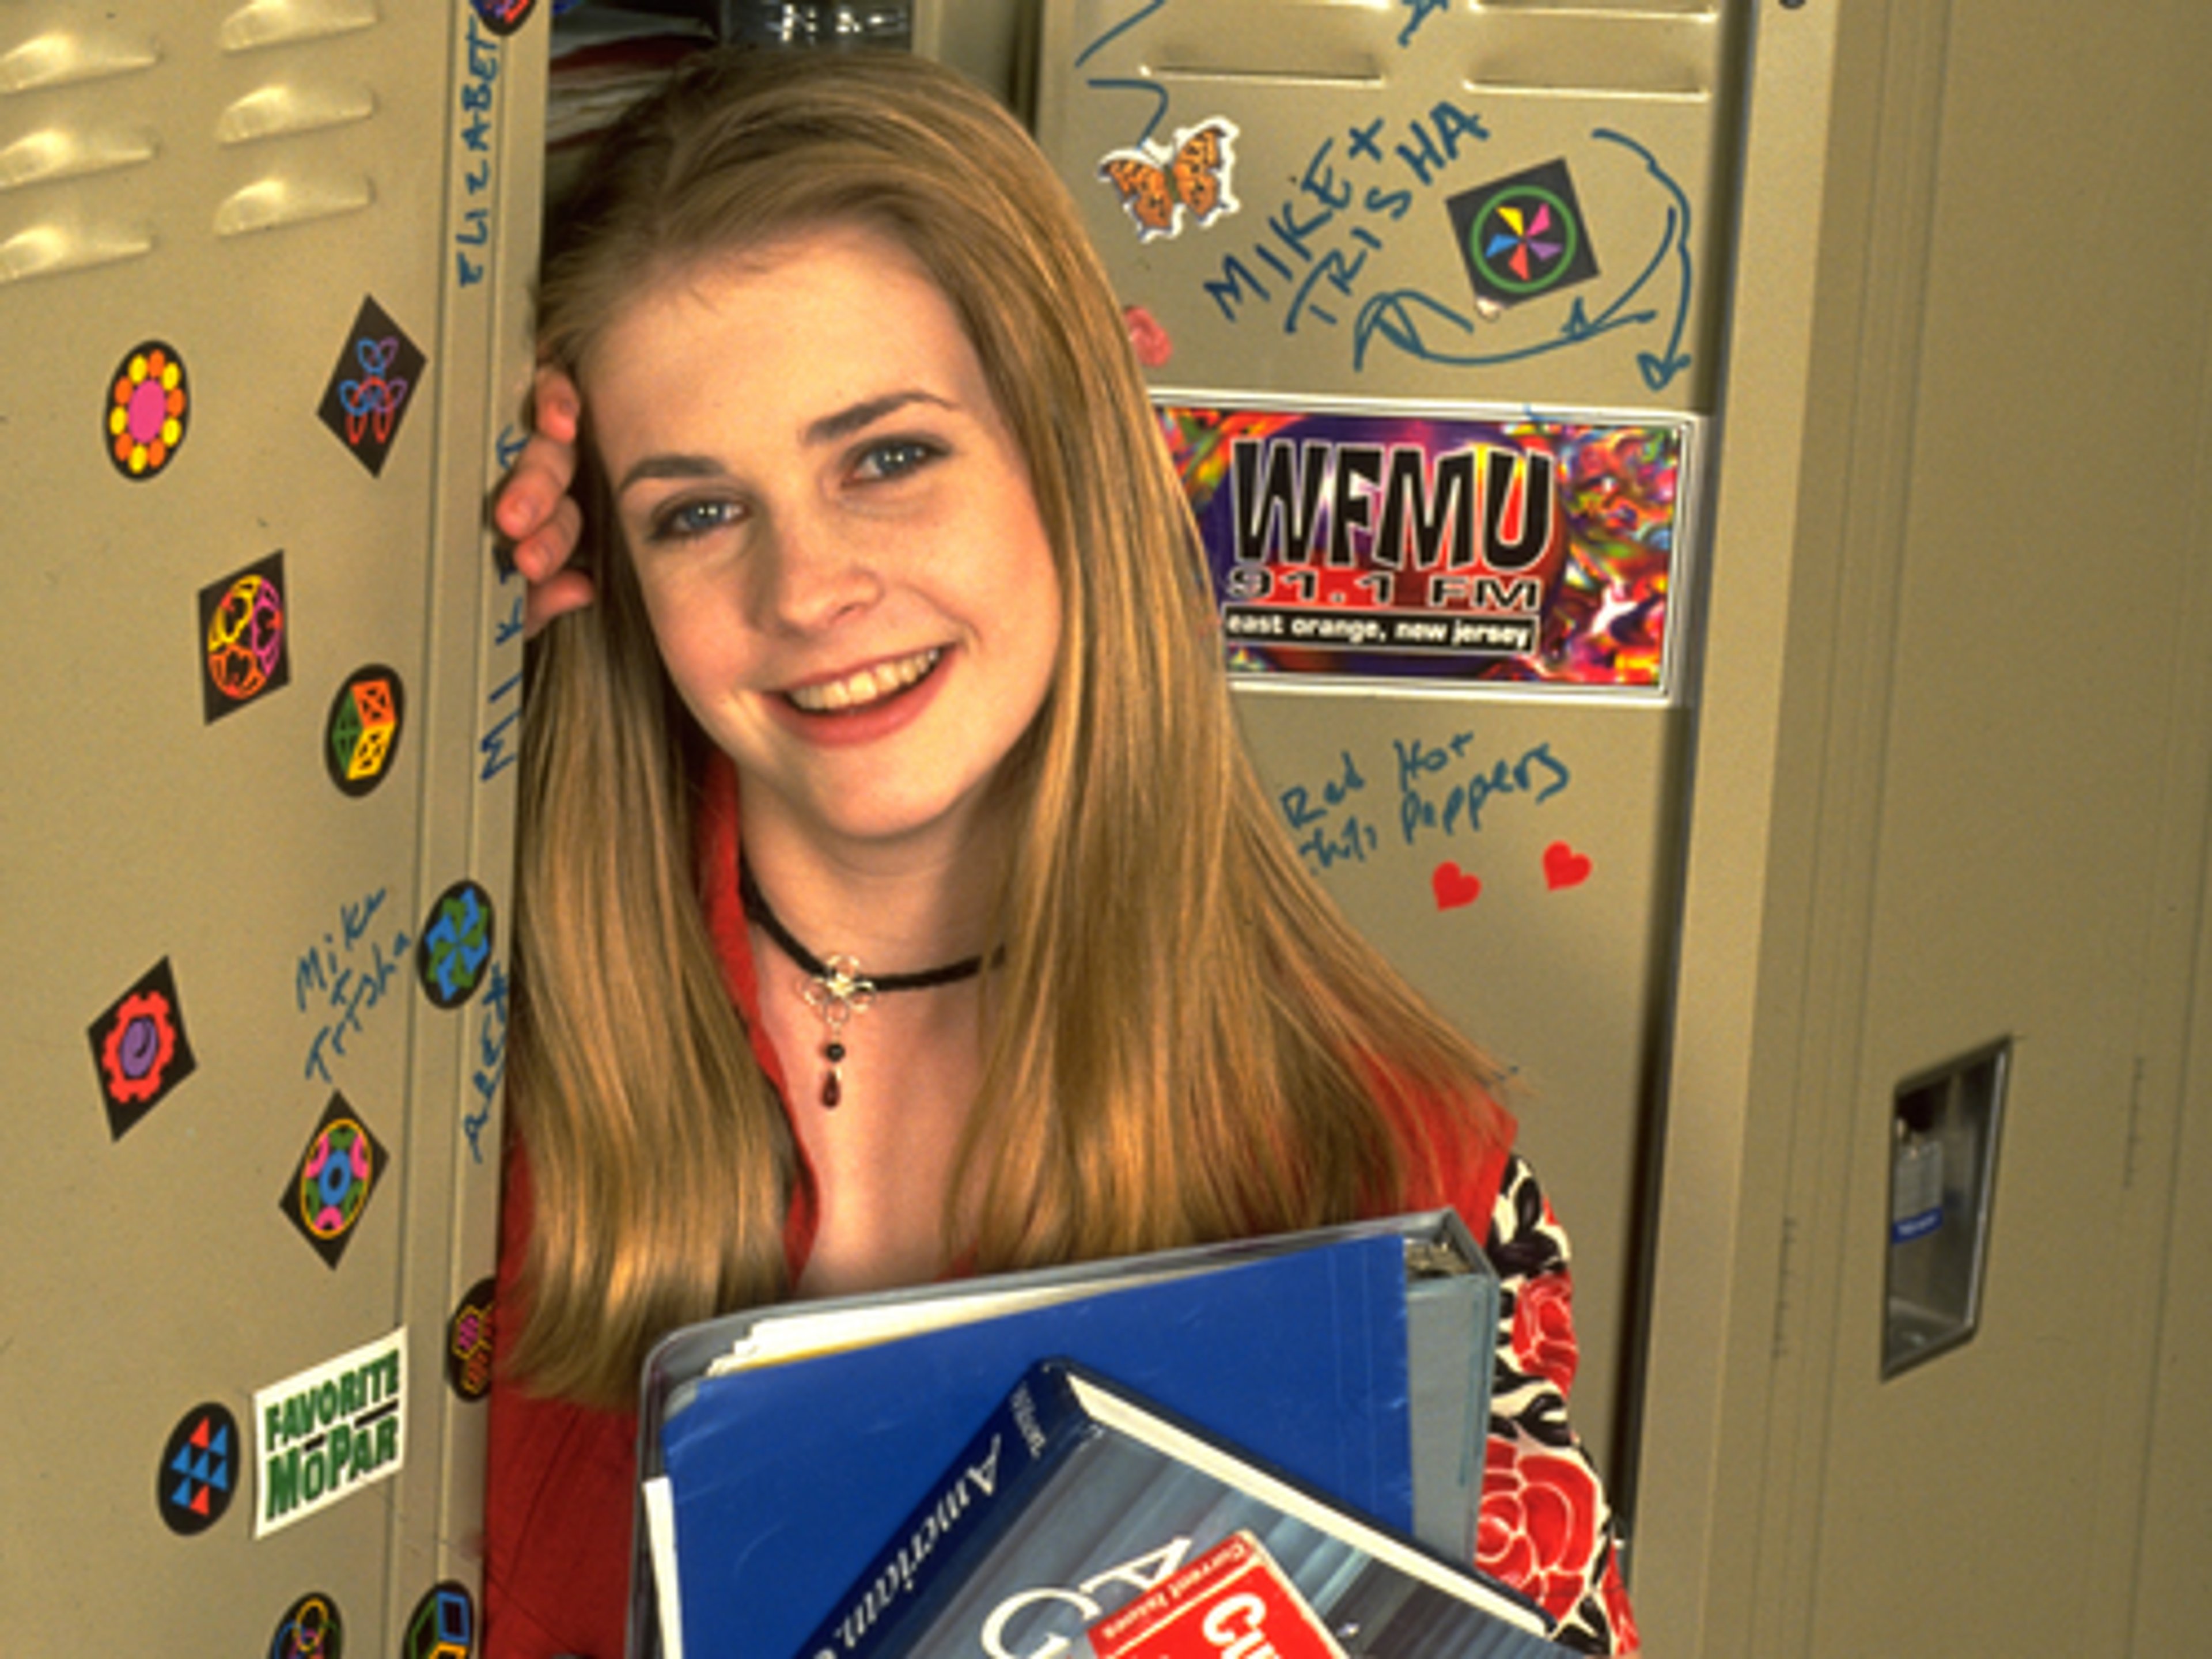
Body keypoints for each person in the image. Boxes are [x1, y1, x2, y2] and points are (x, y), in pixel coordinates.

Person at [488, 46, 1638, 1659]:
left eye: (888, 457)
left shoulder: (1382, 1165)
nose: (808, 589)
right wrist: (419, 580)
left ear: (1070, 456)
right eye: (698, 512)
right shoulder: (460, 1078)